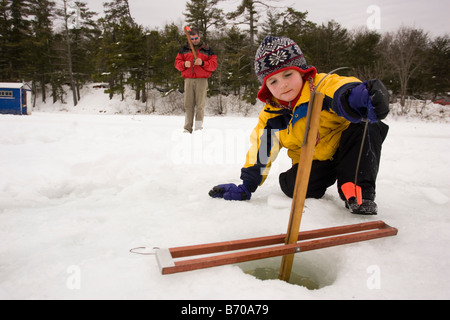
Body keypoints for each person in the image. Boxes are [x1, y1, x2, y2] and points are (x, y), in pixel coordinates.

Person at [209, 36, 390, 215]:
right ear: (266, 88)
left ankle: (357, 192)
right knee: (293, 187)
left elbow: (341, 89)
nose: (283, 84)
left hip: (348, 148)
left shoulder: (320, 86)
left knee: (368, 126)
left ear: (302, 72)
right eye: (273, 81)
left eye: (288, 74)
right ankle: (305, 180)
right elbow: (261, 152)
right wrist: (246, 185)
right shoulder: (272, 116)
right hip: (315, 161)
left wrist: (361, 97)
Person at [175, 28, 217, 133]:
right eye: (192, 38)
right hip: (188, 79)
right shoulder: (184, 49)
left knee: (200, 105)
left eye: (196, 38)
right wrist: (184, 64)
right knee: (188, 105)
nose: (194, 40)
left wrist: (202, 63)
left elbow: (213, 66)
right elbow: (177, 63)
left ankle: (198, 128)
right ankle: (187, 128)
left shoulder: (207, 49)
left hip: (202, 80)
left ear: (200, 36)